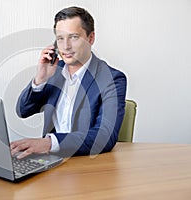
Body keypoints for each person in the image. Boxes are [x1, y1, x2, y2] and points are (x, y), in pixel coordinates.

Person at [11, 6, 127, 159]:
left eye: (73, 37)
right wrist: (40, 79)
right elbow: (23, 111)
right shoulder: (53, 72)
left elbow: (104, 136)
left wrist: (49, 143)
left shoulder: (111, 79)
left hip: (85, 166)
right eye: (60, 38)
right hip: (49, 162)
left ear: (90, 38)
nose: (65, 46)